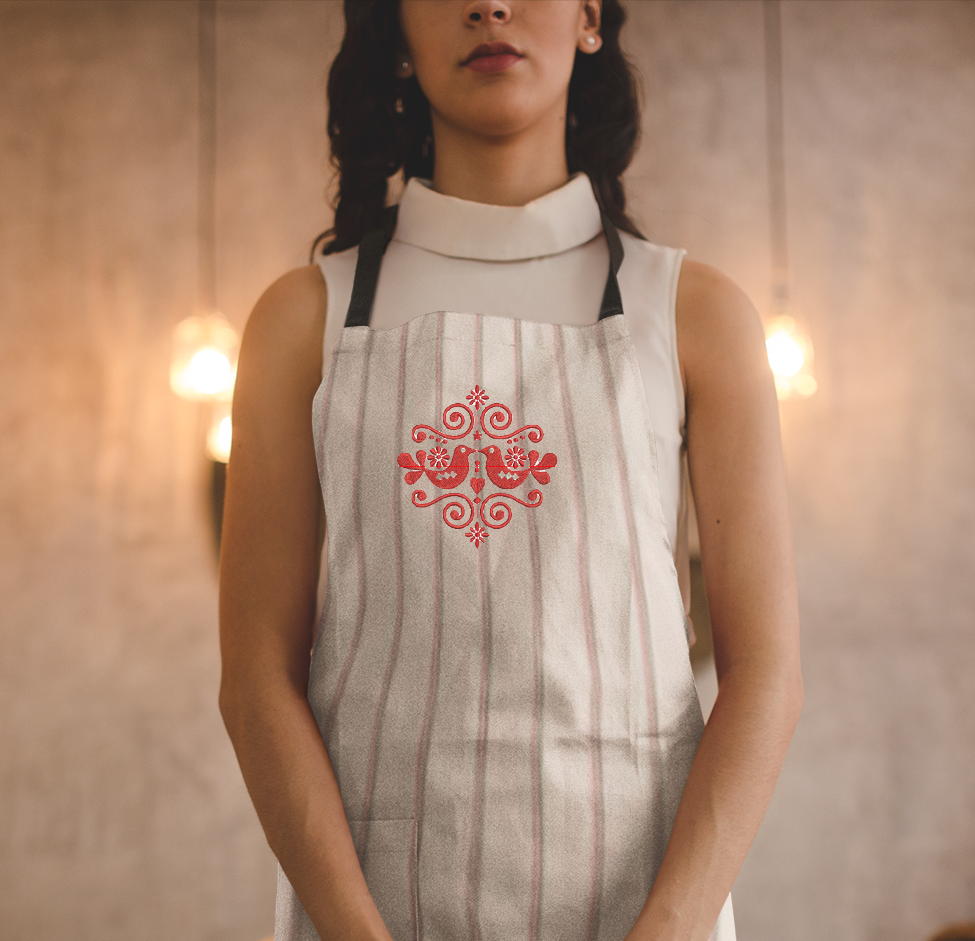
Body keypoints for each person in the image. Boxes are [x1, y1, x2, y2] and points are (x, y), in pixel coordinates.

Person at [218, 2, 804, 940]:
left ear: (586, 19)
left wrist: (669, 926)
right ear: (396, 37)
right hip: (370, 911)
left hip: (649, 909)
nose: (489, 4)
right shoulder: (304, 320)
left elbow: (764, 670)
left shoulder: (693, 312)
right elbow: (256, 679)